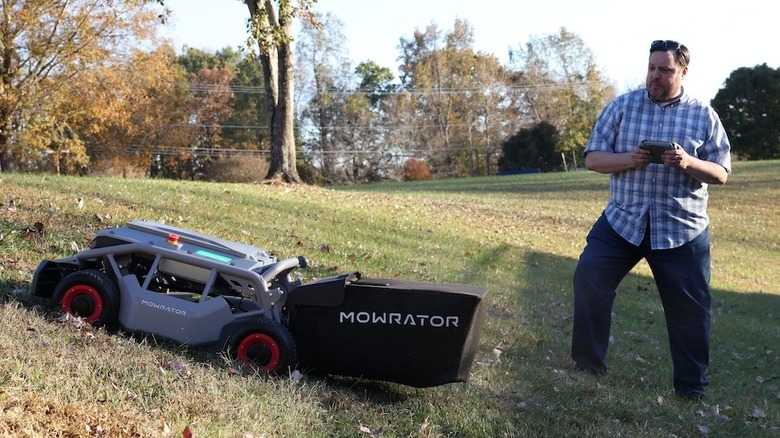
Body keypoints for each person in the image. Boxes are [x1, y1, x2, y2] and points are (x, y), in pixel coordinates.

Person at [570, 40, 732, 401]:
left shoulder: (704, 115)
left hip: (681, 229)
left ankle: (691, 388)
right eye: (652, 68)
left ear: (683, 72)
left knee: (690, 311)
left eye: (665, 70)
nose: (655, 76)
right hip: (623, 221)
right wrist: (630, 159)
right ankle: (587, 365)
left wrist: (688, 162)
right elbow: (593, 159)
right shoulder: (622, 107)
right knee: (589, 278)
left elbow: (721, 173)